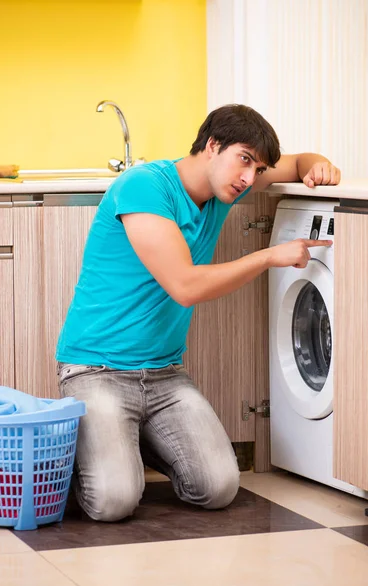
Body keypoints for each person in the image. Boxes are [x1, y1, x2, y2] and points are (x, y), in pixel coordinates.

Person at [56, 104, 341, 522]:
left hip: (164, 373)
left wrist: (320, 167)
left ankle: (130, 441)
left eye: (257, 167)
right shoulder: (144, 186)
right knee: (114, 502)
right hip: (95, 369)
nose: (248, 178)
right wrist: (268, 257)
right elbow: (185, 286)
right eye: (244, 159)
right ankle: (98, 451)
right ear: (212, 145)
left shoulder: (228, 186)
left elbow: (297, 163)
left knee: (218, 487)